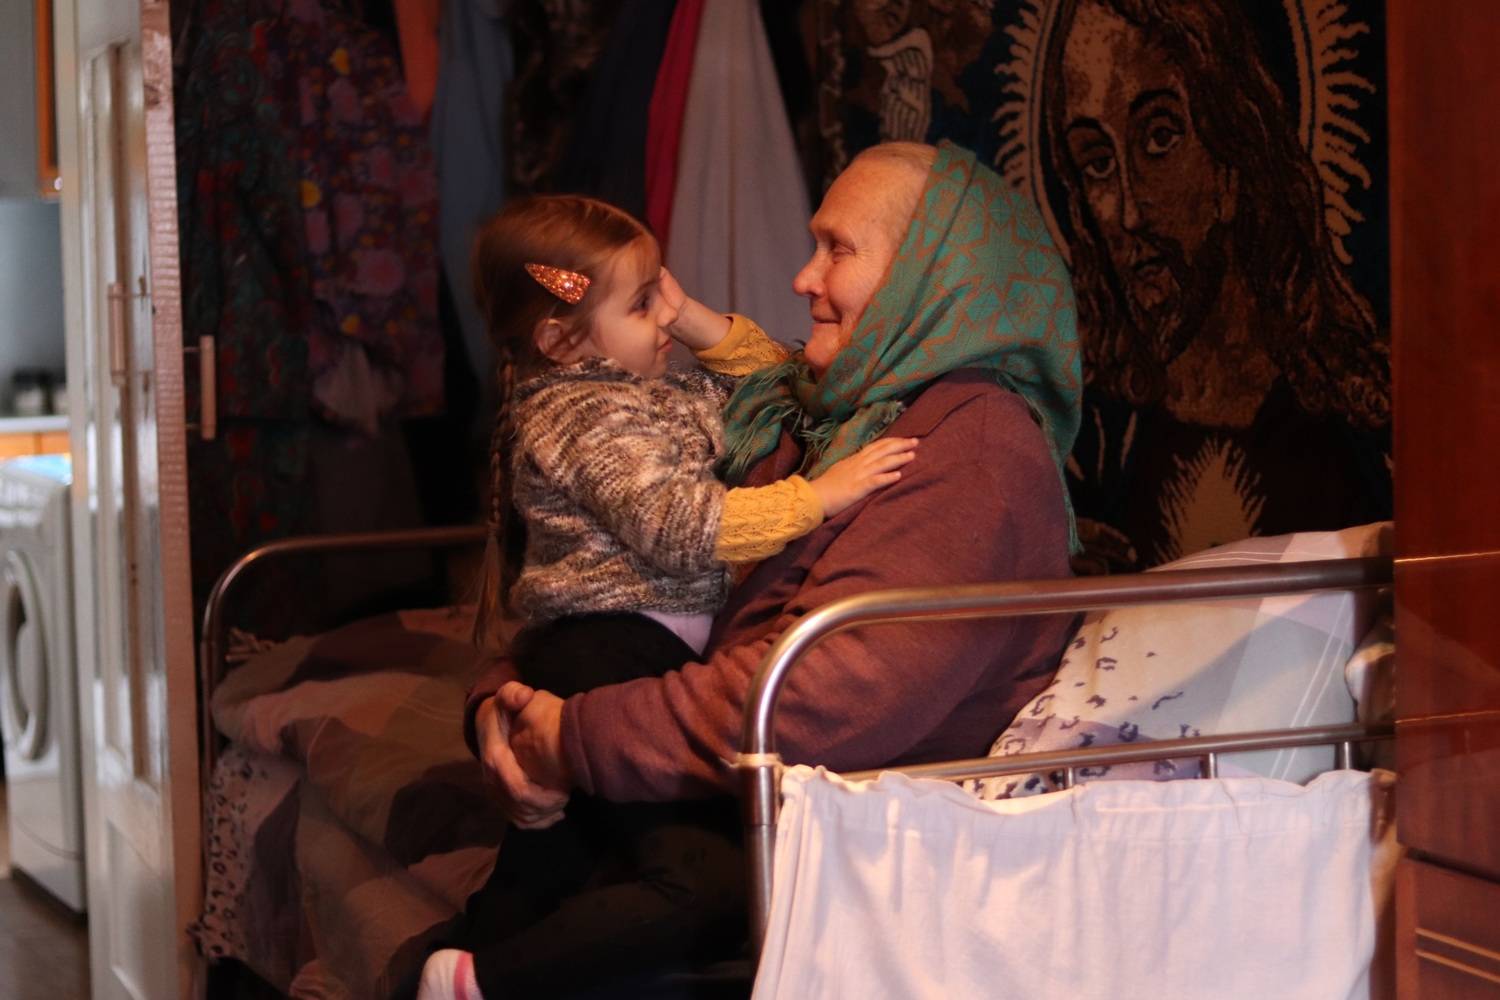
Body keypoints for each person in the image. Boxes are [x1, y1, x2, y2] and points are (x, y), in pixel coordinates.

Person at [461, 140, 1082, 997]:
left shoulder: (970, 454)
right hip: (704, 775)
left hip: (835, 858)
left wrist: (575, 737)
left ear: (923, 275)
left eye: (837, 249)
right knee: (504, 916)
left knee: (618, 918)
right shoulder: (839, 409)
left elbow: (816, 700)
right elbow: (612, 590)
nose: (801, 277)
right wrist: (502, 710)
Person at [415, 194, 918, 1000]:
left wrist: (686, 316)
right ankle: (484, 981)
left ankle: (461, 964)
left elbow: (774, 381)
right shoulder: (585, 413)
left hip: (615, 645)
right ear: (560, 340)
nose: (663, 317)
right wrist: (821, 496)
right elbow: (685, 527)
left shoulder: (647, 387)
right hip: (606, 649)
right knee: (710, 886)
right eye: (642, 304)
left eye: (661, 294)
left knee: (549, 865)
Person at [1038, 0, 1391, 568]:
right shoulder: (1093, 443)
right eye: (1098, 162)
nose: (1128, 212)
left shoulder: (1361, 432)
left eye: (1159, 137)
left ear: (1235, 155)